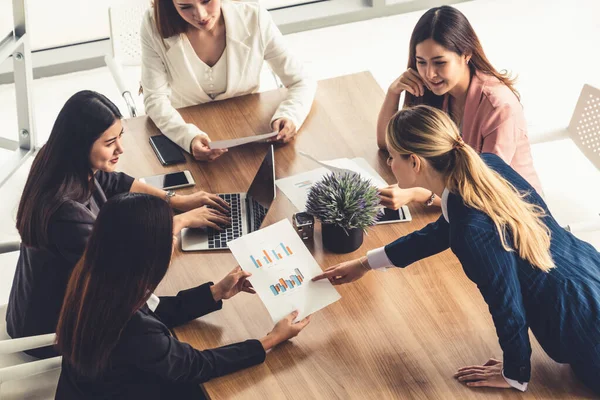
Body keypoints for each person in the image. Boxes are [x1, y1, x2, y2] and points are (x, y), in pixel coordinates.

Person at [314, 105, 600, 394]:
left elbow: (505, 304)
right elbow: (442, 231)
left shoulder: (471, 229)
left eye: (392, 156)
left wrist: (514, 372)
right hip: (588, 271)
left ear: (414, 162)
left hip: (578, 320)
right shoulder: (486, 167)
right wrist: (365, 263)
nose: (389, 162)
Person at [7, 90, 230, 358]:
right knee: (170, 347)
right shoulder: (66, 213)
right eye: (110, 142)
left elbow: (114, 182)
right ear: (81, 144)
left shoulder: (59, 163)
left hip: (34, 306)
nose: (120, 149)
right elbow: (129, 273)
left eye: (120, 136)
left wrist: (175, 201)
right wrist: (177, 222)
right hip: (51, 333)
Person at [54, 193, 309, 399]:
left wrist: (216, 292)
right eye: (171, 236)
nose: (174, 242)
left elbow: (154, 312)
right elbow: (195, 365)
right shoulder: (135, 328)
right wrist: (270, 340)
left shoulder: (95, 278)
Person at [376, 5, 542, 211]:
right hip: (462, 205)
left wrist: (420, 194)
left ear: (466, 54)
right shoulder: (434, 92)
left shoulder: (499, 106)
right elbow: (386, 144)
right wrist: (394, 92)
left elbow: (485, 190)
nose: (429, 74)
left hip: (515, 214)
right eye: (421, 62)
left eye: (439, 63)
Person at [141, 0, 317, 161]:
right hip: (185, 131)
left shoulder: (254, 18)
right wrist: (188, 137)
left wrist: (290, 115)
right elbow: (155, 100)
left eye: (206, 1)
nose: (201, 15)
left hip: (249, 137)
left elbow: (301, 80)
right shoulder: (153, 25)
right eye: (185, 7)